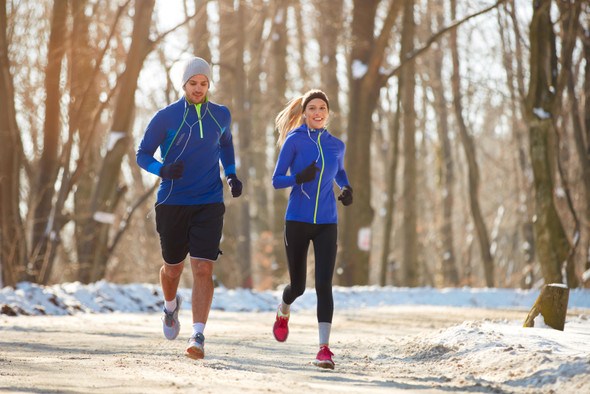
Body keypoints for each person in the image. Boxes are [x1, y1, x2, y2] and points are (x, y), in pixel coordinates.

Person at [136, 57, 242, 360]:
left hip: (209, 201)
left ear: (209, 85)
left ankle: (198, 335)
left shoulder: (221, 114)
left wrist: (231, 174)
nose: (198, 88)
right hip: (172, 202)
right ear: (184, 85)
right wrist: (162, 170)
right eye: (193, 83)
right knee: (173, 269)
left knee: (203, 267)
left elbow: (225, 144)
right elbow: (142, 154)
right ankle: (170, 308)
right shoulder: (166, 117)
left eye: (204, 83)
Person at [271, 89, 353, 369]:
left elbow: (339, 171)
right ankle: (284, 309)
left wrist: (346, 187)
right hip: (297, 220)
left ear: (327, 112)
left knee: (324, 286)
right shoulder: (294, 141)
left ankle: (324, 349)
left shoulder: (336, 145)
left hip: (327, 222)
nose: (318, 113)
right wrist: (298, 177)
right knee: (298, 287)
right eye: (312, 108)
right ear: (304, 113)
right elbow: (276, 180)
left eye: (322, 108)